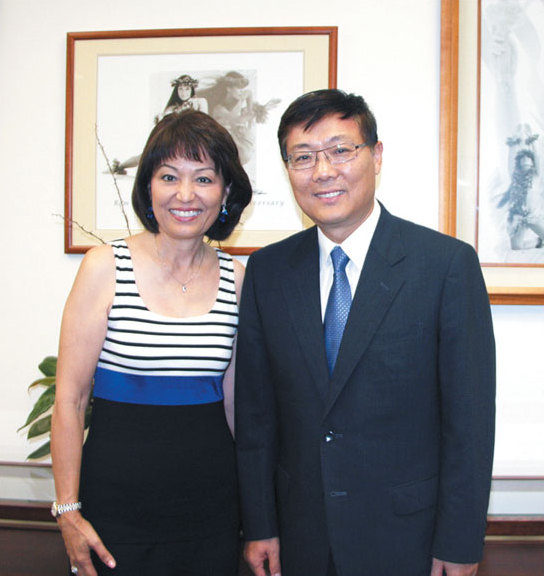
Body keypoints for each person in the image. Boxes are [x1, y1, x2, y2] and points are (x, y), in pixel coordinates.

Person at [235, 89, 496, 576]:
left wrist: (460, 543)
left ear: (376, 156)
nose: (322, 171)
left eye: (340, 150)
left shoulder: (445, 266)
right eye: (303, 157)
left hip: (409, 538)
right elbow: (256, 418)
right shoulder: (267, 272)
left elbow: (470, 423)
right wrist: (260, 525)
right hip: (299, 536)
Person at [51, 109, 252, 576]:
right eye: (169, 176)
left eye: (204, 178)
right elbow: (70, 399)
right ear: (148, 187)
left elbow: (234, 407)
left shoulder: (237, 279)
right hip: (113, 513)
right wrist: (68, 511)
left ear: (225, 193)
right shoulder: (105, 267)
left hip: (212, 513)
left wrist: (258, 513)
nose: (185, 194)